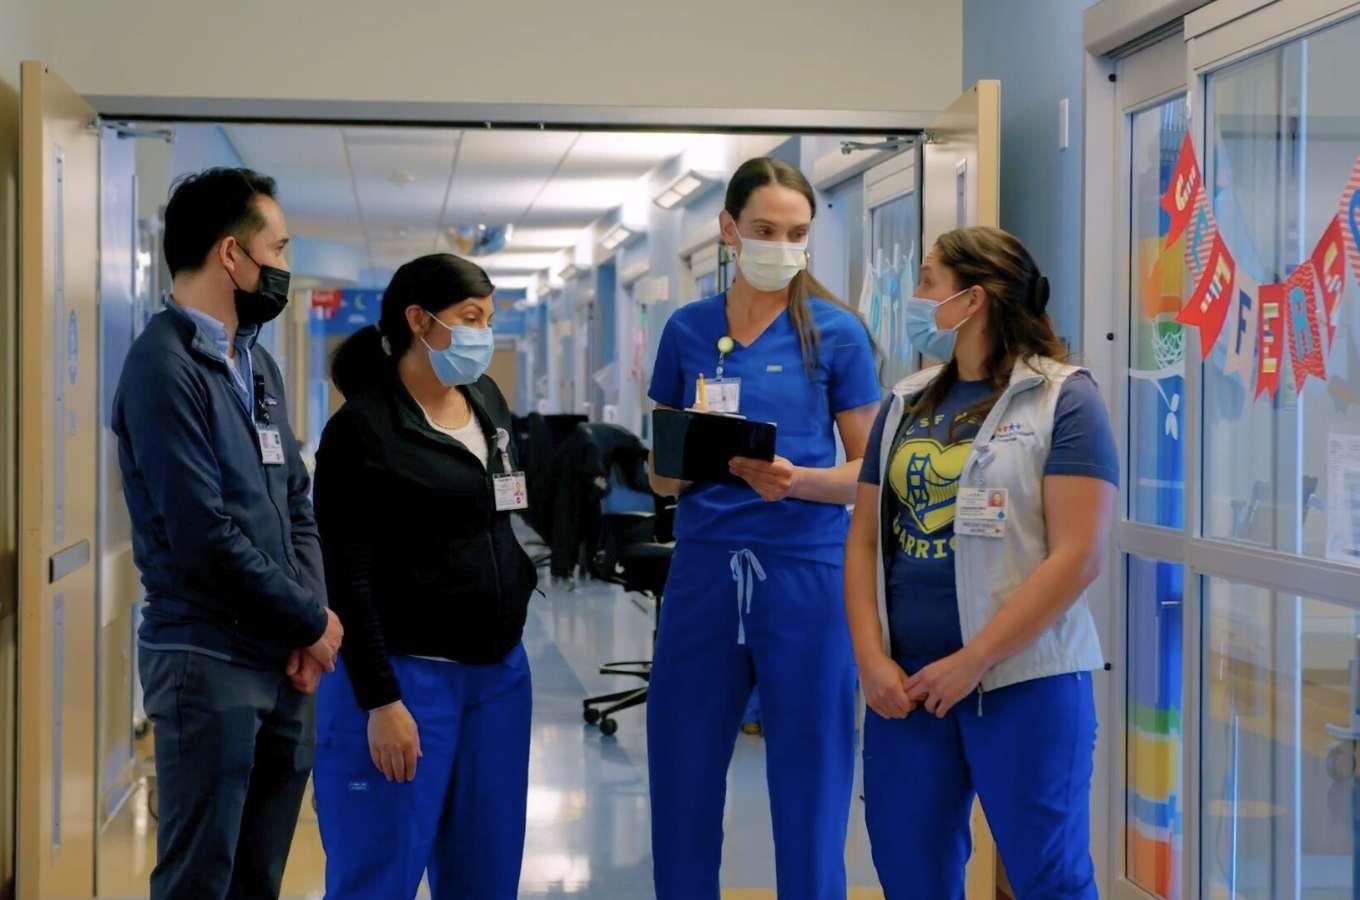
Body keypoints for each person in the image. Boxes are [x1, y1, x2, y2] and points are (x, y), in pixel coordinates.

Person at [844, 226, 1118, 899]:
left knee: (1047, 876)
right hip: (906, 689)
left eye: (929, 280)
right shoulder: (905, 401)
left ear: (974, 299)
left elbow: (1079, 555)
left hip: (1023, 681)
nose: (916, 297)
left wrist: (976, 659)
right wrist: (871, 659)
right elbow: (864, 539)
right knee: (910, 872)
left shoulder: (1064, 399)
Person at [646, 157, 882, 899]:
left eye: (797, 233)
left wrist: (797, 481)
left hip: (806, 571)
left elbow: (869, 471)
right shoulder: (687, 330)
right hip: (705, 571)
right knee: (682, 771)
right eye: (764, 230)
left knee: (811, 781)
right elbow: (659, 474)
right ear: (728, 230)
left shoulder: (837, 335)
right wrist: (697, 462)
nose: (781, 246)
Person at [112, 168, 343, 900]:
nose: (283, 266)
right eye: (276, 249)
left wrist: (307, 623)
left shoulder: (256, 362)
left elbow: (296, 500)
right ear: (231, 255)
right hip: (206, 660)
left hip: (281, 659)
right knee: (198, 880)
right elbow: (201, 533)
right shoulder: (163, 367)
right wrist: (310, 620)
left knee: (257, 879)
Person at [311, 254, 538, 900]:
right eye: (471, 318)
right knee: (380, 872)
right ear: (419, 321)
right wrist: (381, 701)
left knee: (487, 873)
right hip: (406, 682)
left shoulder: (485, 401)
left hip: (497, 677)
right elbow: (345, 577)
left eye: (489, 319)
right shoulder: (363, 430)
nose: (483, 334)